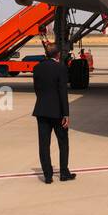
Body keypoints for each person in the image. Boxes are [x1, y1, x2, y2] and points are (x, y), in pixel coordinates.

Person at [32, 43, 73, 183]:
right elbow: (63, 91)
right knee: (63, 142)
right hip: (57, 112)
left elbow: (36, 89)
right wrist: (66, 114)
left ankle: (48, 176)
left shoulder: (37, 68)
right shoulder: (60, 67)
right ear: (58, 54)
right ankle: (63, 172)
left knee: (44, 144)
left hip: (41, 110)